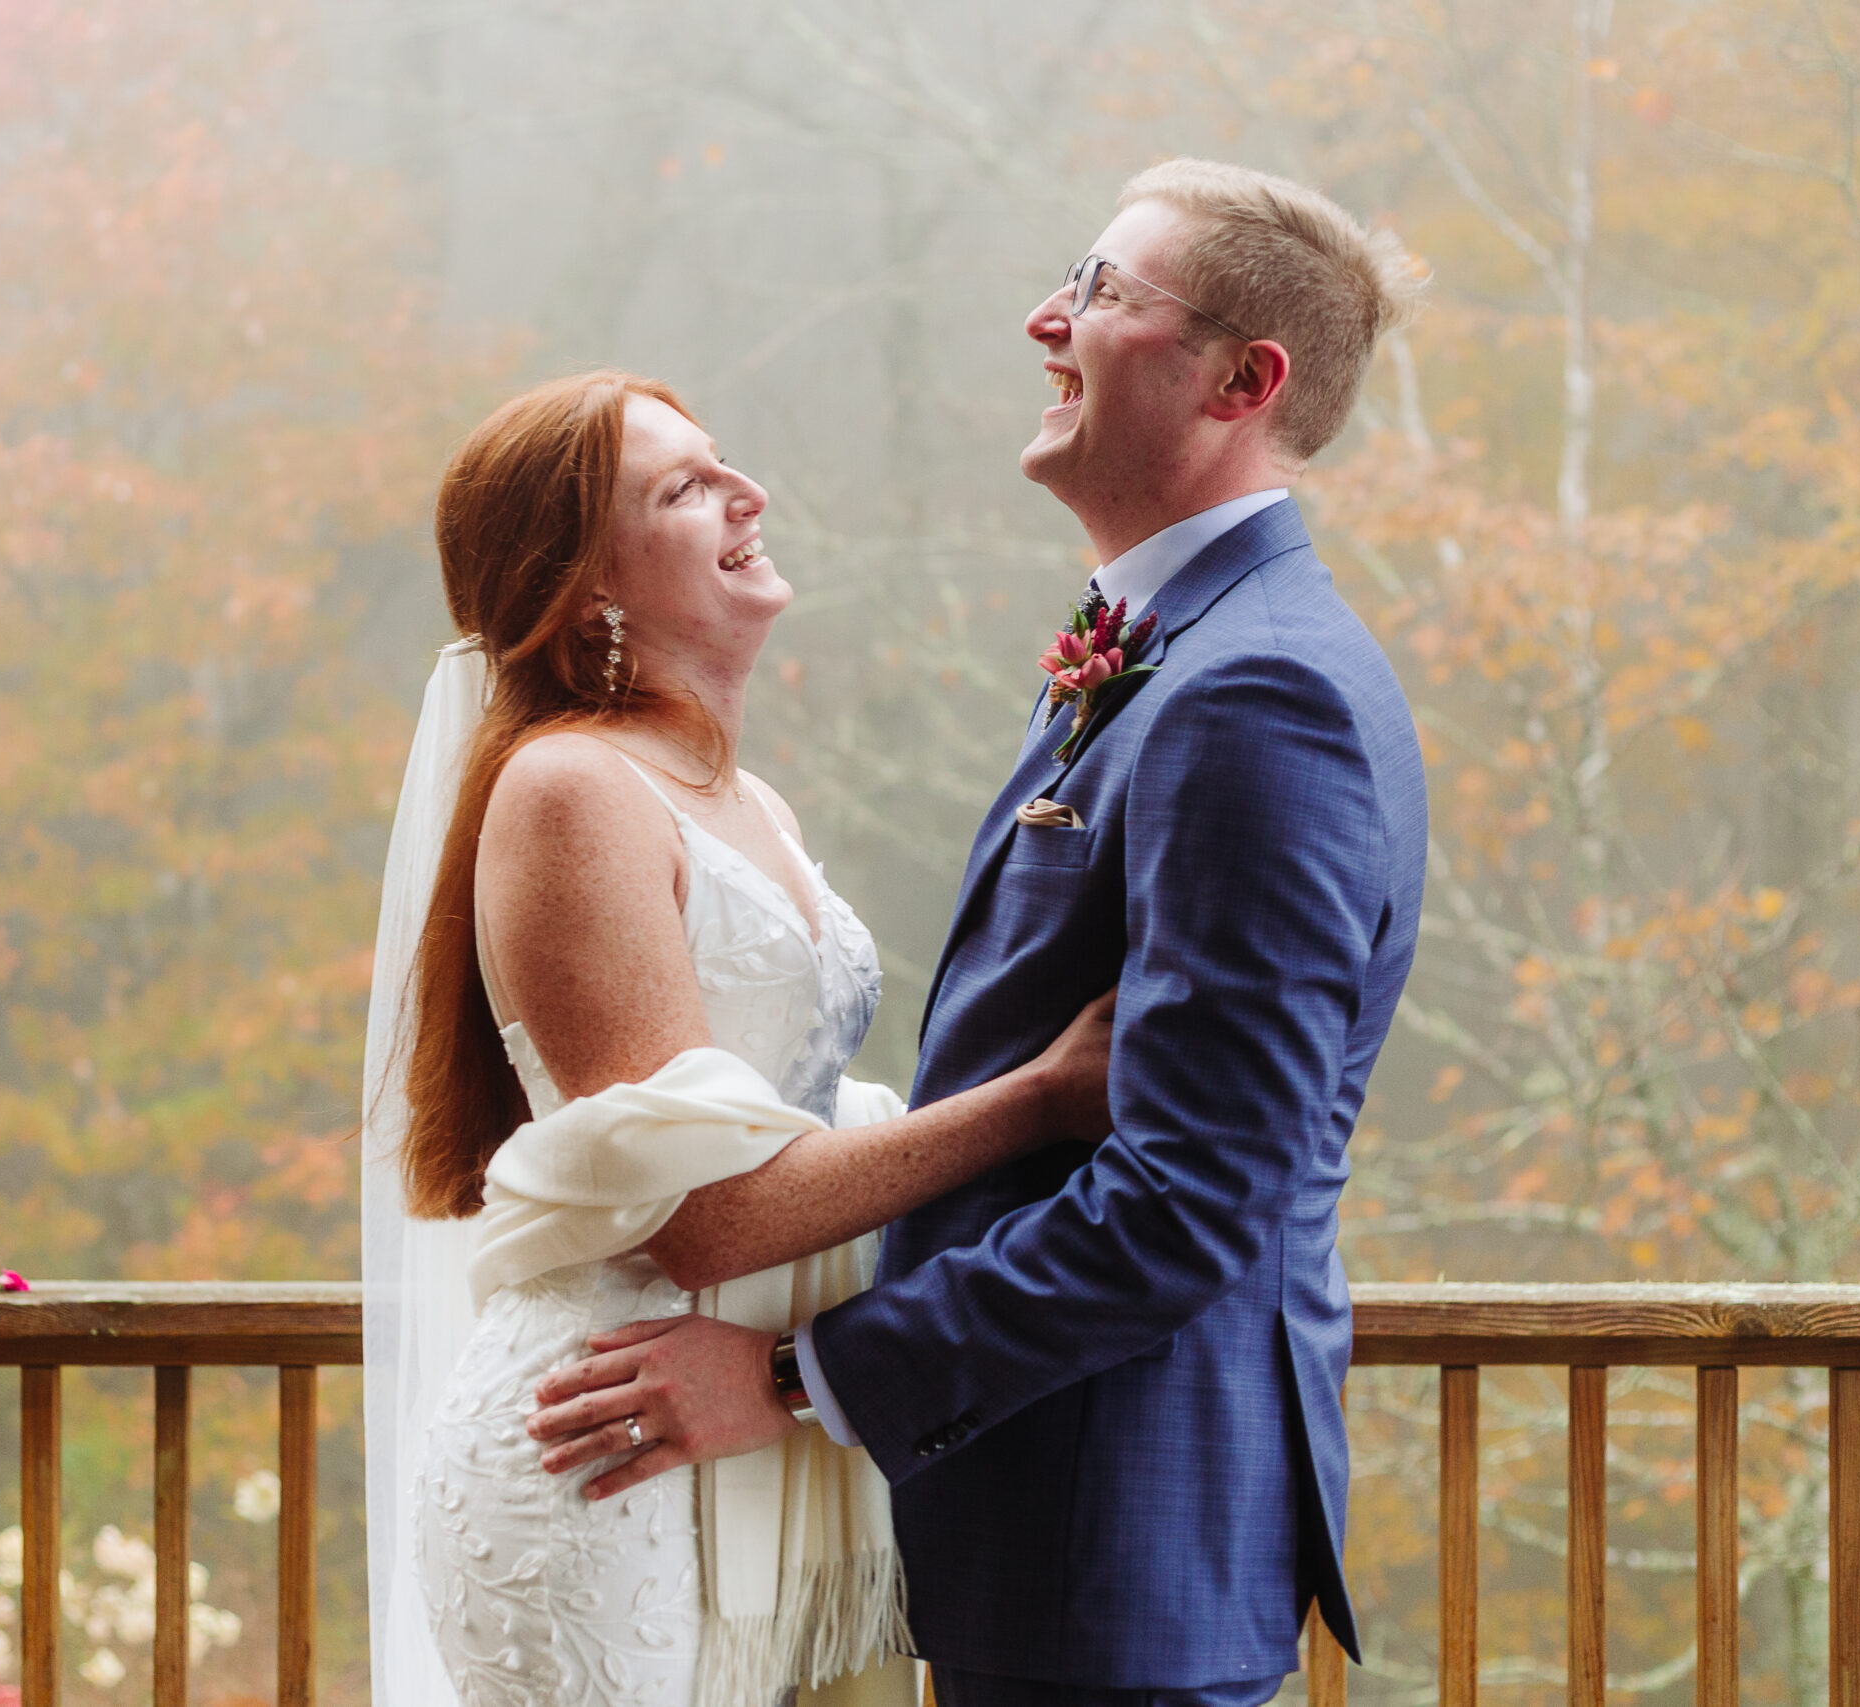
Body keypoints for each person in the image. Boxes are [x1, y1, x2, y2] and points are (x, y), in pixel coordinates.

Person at [528, 160, 1429, 1705]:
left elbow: (1190, 1203)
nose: (1046, 317)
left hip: (1117, 1531)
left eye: (1101, 291)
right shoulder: (1163, 656)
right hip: (1043, 1522)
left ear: (1241, 380)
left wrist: (797, 1377)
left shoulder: (1259, 698)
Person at [359, 368, 1119, 1707]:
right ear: (585, 586)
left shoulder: (739, 795)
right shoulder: (570, 790)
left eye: (723, 464)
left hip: (760, 1428)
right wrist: (1044, 1097)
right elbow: (701, 1220)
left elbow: (796, 1108)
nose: (745, 491)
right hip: (612, 1448)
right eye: (682, 485)